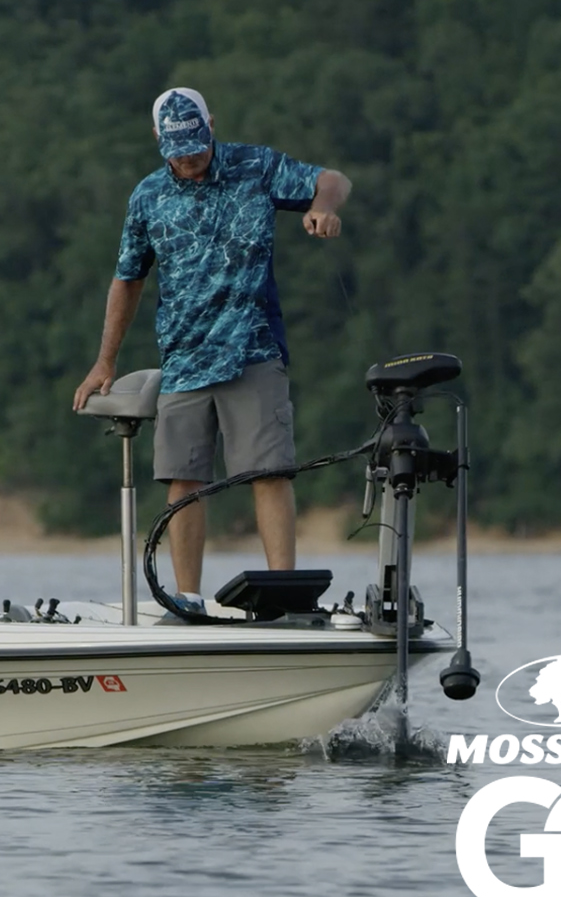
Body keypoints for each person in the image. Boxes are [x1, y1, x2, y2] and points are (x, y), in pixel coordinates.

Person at [71, 88, 352, 605]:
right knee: (183, 478)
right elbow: (127, 279)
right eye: (177, 151)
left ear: (211, 125)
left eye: (196, 147)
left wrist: (323, 208)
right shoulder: (148, 196)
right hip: (183, 358)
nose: (189, 159)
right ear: (158, 140)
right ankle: (187, 597)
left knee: (268, 471)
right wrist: (104, 361)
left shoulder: (256, 166)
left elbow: (332, 180)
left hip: (253, 349)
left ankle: (283, 594)